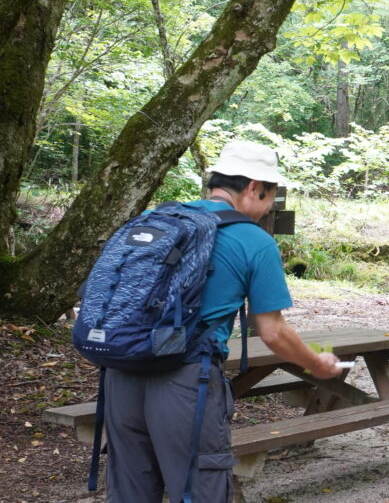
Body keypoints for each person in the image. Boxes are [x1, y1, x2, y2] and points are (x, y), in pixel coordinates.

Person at [103, 140, 344, 503]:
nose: (267, 210)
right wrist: (316, 364)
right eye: (270, 198)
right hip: (186, 382)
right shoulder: (253, 241)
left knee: (129, 493)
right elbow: (273, 332)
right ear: (254, 188)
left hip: (121, 373)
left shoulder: (158, 220)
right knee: (200, 490)